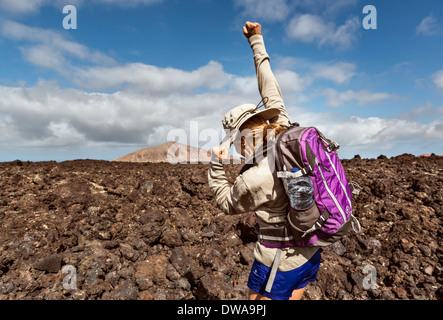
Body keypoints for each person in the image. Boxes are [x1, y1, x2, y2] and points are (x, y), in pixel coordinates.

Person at [208, 22, 321, 301]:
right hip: (312, 251)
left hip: (278, 262)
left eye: (235, 142)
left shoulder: (255, 178)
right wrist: (256, 41)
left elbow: (226, 203)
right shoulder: (284, 128)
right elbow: (270, 90)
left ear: (242, 138)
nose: (236, 149)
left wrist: (215, 166)